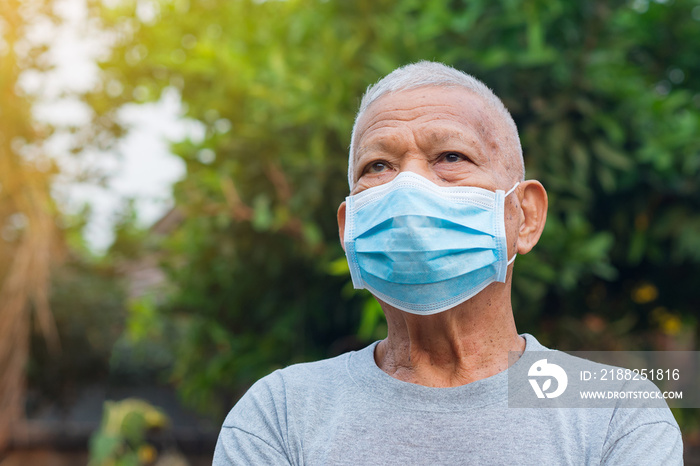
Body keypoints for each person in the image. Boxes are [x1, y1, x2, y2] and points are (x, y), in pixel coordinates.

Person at [213, 61, 683, 465]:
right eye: (378, 166)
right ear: (348, 228)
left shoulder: (617, 413)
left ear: (525, 217)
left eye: (450, 157)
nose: (408, 189)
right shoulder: (279, 414)